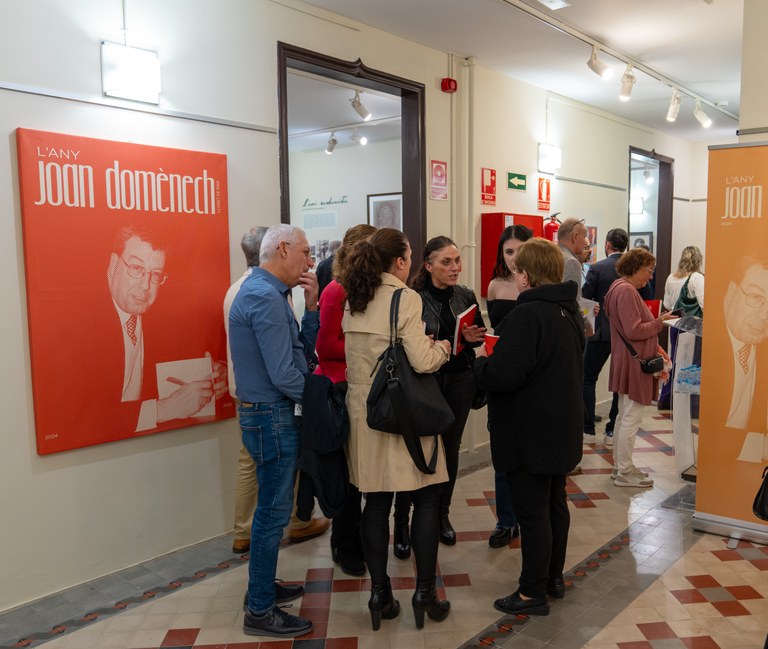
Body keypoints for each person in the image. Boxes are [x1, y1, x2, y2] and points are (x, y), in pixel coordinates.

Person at [338, 228, 452, 631]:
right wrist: (445, 348)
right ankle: (424, 593)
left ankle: (379, 594)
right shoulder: (406, 297)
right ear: (401, 262)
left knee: (375, 503)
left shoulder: (354, 298)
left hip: (364, 414)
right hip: (403, 412)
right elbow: (420, 361)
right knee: (424, 499)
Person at [473, 237, 584, 616]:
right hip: (558, 428)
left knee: (533, 515)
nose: (514, 274)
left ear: (525, 275)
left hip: (530, 432)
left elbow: (505, 374)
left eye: (518, 268)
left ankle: (531, 592)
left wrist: (480, 363)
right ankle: (553, 577)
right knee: (554, 507)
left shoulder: (528, 314)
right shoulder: (568, 311)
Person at [228, 224, 319, 638]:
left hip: (268, 414)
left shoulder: (267, 292)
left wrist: (311, 307)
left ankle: (261, 588)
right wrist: (323, 400)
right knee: (272, 515)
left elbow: (293, 352)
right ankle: (260, 610)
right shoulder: (263, 297)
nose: (309, 260)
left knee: (269, 512)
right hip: (271, 416)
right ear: (282, 249)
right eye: (304, 251)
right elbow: (285, 374)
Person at [392, 237, 487, 549]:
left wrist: (473, 338)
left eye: (457, 261)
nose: (455, 267)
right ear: (428, 265)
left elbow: (478, 335)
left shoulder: (466, 295)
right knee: (415, 450)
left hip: (460, 379)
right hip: (426, 382)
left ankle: (442, 514)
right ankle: (403, 521)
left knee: (451, 448)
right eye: (446, 262)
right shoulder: (413, 298)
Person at [315, 224, 377, 576]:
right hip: (340, 390)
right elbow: (324, 347)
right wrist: (366, 350)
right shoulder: (337, 289)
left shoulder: (371, 290)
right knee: (349, 476)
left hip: (363, 389)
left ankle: (355, 540)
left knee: (363, 473)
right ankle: (345, 543)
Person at [604, 247, 676, 488]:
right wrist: (660, 322)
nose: (650, 276)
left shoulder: (619, 288)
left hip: (626, 360)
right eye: (648, 270)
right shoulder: (625, 290)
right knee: (630, 419)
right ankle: (624, 471)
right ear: (635, 268)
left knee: (625, 416)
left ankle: (621, 467)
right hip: (633, 363)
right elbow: (634, 330)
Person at [484, 225, 533, 547]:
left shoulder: (539, 285)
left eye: (519, 250)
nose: (514, 258)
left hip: (532, 376)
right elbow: (495, 330)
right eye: (508, 251)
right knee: (502, 451)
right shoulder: (495, 285)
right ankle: (506, 519)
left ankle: (529, 517)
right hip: (502, 374)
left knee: (531, 453)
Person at [581, 228, 629, 446]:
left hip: (600, 332)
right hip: (625, 333)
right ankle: (611, 431)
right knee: (620, 383)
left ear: (608, 245)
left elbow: (584, 298)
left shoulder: (598, 268)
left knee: (588, 378)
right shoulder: (631, 269)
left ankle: (588, 429)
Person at [722, 258, 768, 432]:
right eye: (756, 297)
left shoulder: (763, 348)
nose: (765, 316)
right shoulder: (705, 345)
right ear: (731, 292)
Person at [658, 246, 705, 411]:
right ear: (698, 260)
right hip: (693, 325)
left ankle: (667, 399)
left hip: (675, 324)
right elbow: (704, 303)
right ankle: (690, 405)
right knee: (693, 363)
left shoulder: (672, 277)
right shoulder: (697, 278)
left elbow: (668, 304)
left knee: (675, 360)